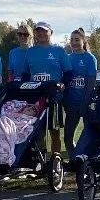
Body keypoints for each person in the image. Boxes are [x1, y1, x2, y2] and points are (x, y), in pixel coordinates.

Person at [22, 21, 72, 154]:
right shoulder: (30, 52)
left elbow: (68, 73)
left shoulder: (59, 51)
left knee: (54, 131)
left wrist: (63, 84)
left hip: (53, 97)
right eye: (38, 31)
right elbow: (26, 74)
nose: (41, 33)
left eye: (44, 31)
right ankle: (41, 161)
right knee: (38, 130)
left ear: (51, 32)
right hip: (35, 97)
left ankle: (55, 161)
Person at [0, 99, 46, 166]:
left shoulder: (30, 120)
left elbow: (25, 128)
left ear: (35, 114)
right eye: (28, 107)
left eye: (33, 110)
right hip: (3, 126)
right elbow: (6, 116)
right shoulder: (14, 114)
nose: (30, 108)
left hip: (13, 129)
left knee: (5, 131)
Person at [64, 28, 97, 156]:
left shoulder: (90, 58)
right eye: (72, 40)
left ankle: (89, 161)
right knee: (68, 136)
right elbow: (66, 82)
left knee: (89, 135)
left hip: (87, 104)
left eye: (77, 39)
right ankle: (74, 159)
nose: (74, 42)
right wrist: (66, 102)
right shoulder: (68, 58)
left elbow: (91, 83)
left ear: (83, 41)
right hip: (72, 105)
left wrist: (85, 103)